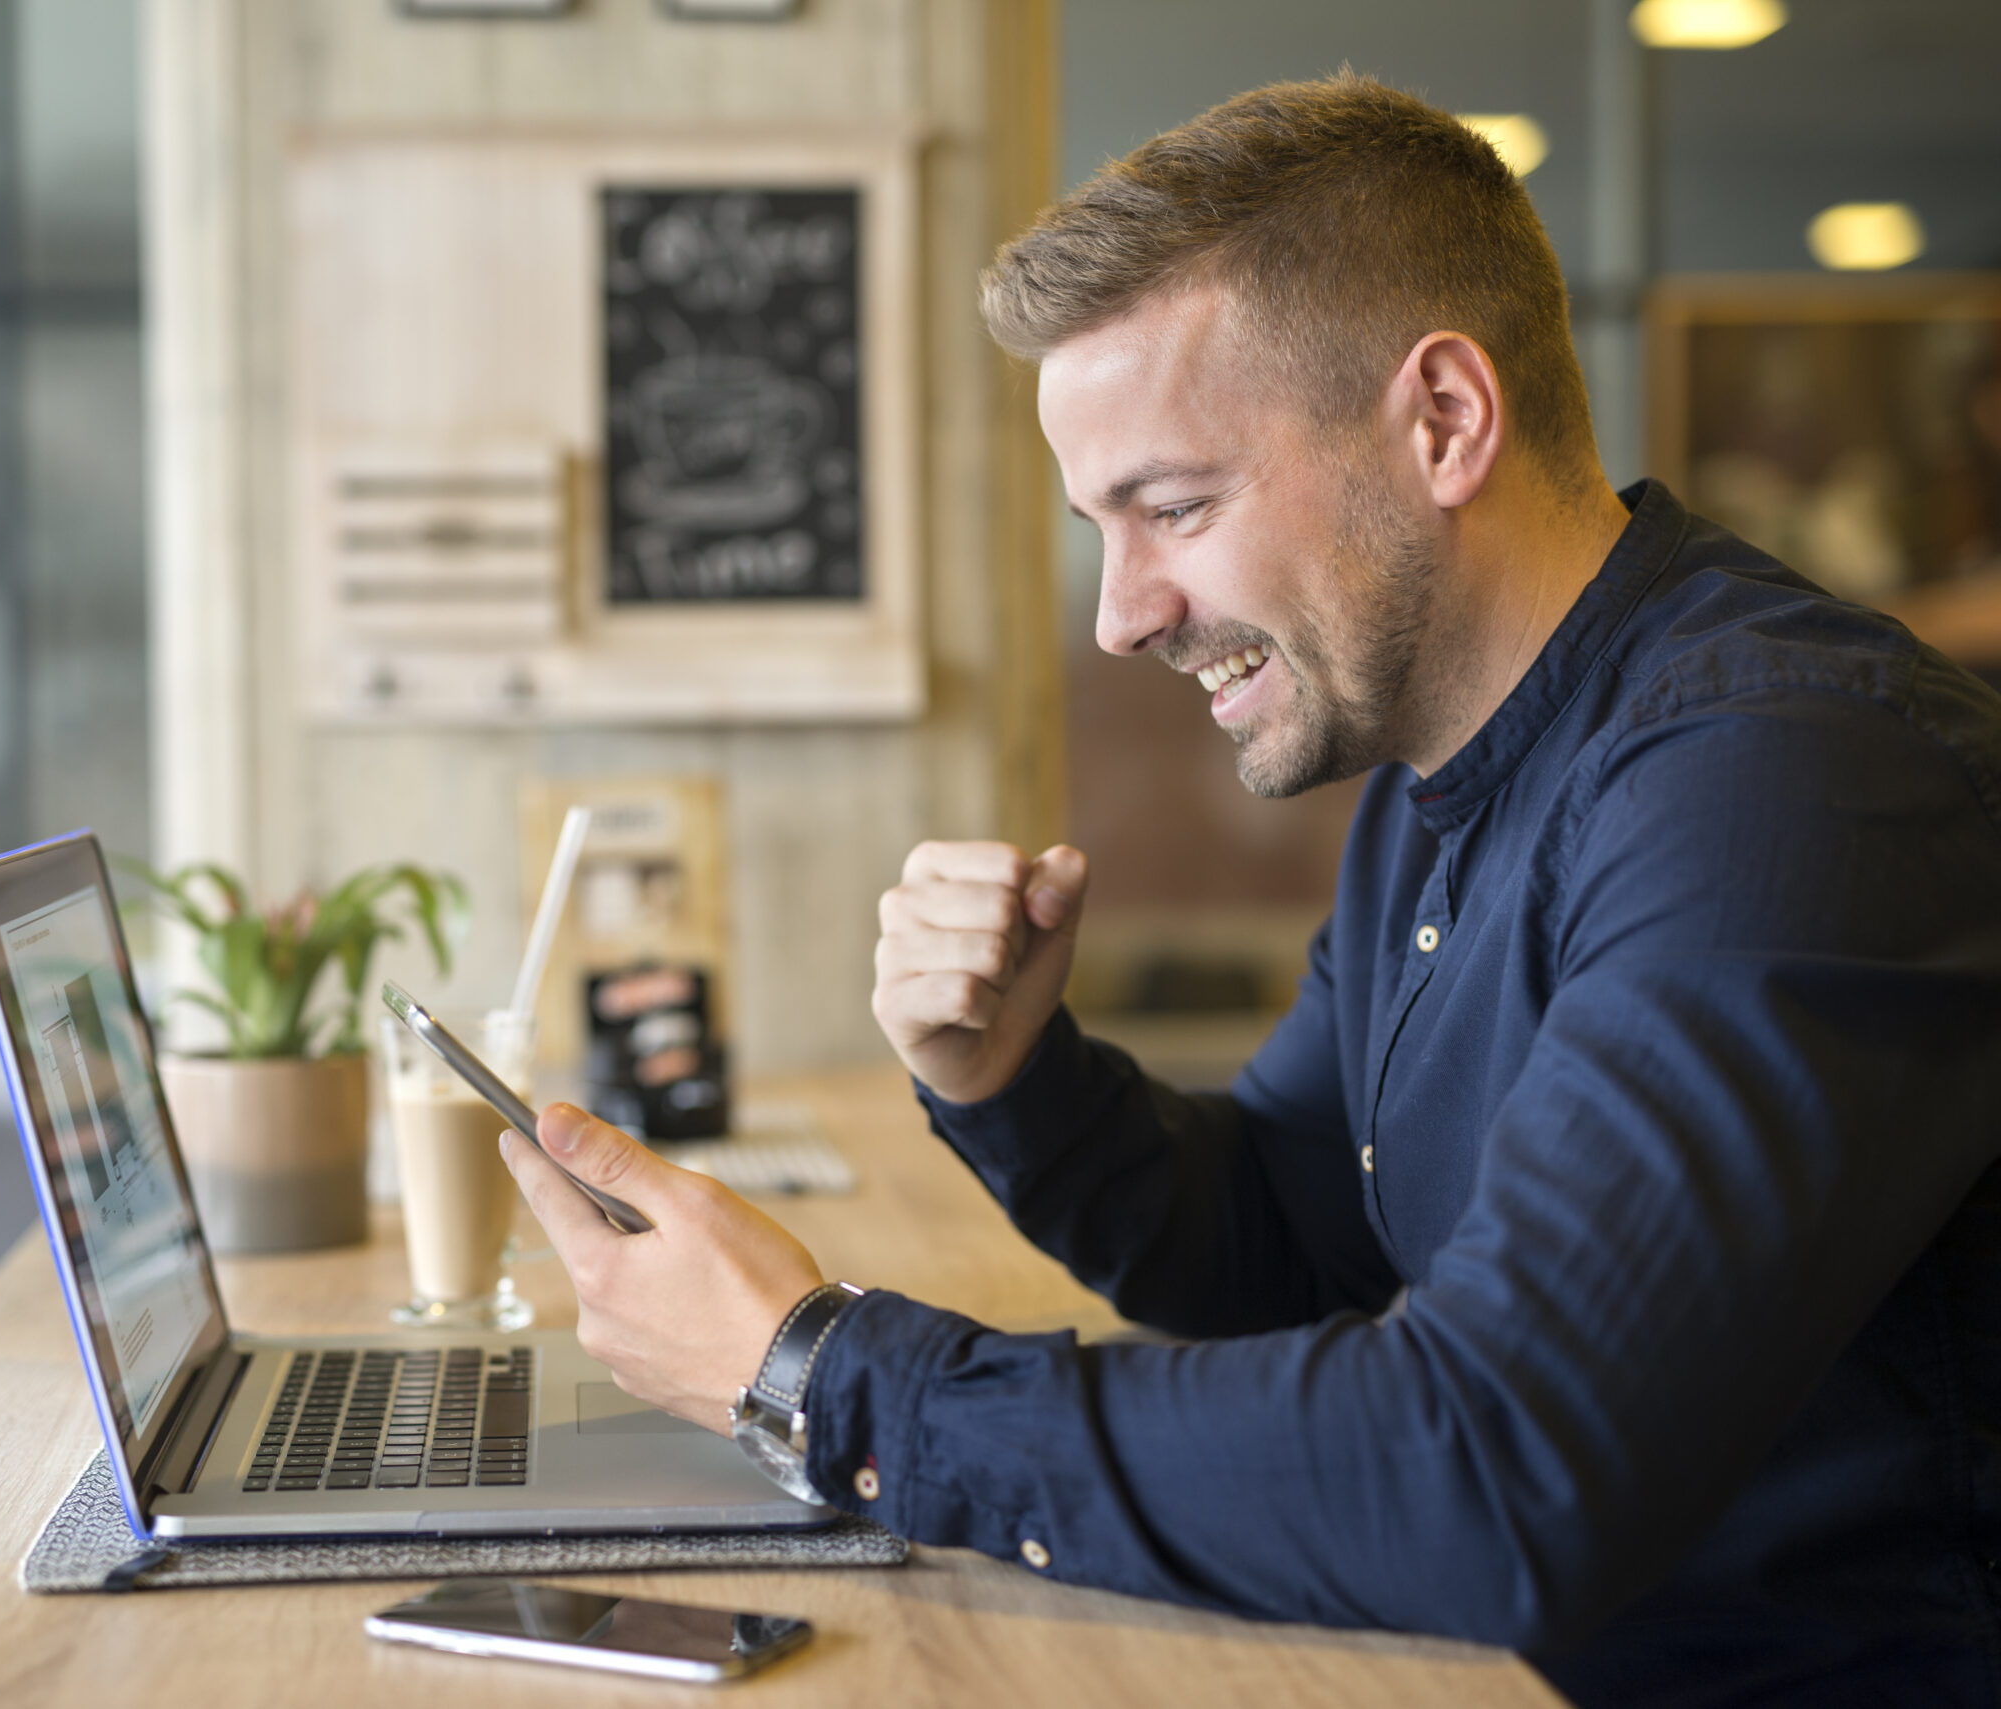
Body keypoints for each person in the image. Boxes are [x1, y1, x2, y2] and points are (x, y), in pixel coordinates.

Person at [497, 73, 2001, 1706]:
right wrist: (1013, 1078)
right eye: (1102, 528)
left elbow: (1494, 1469)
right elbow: (1294, 1235)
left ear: (1442, 419)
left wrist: (823, 1374)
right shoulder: (1441, 772)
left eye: (1176, 506)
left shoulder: (1786, 774)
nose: (1122, 615)